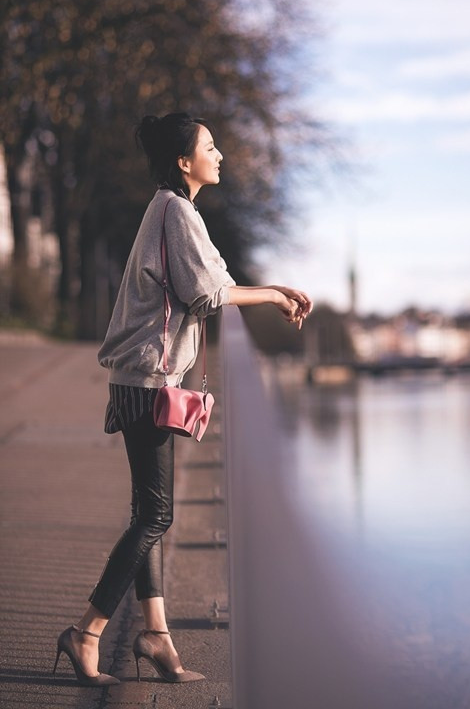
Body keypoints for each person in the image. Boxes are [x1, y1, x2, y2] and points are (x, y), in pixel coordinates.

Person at [52, 112, 312, 686]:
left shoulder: (175, 210)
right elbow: (208, 294)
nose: (219, 156)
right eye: (210, 147)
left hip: (140, 379)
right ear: (183, 160)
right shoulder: (174, 210)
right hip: (148, 381)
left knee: (147, 511)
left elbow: (213, 276)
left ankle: (158, 639)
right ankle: (87, 632)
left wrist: (273, 289)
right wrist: (272, 294)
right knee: (156, 515)